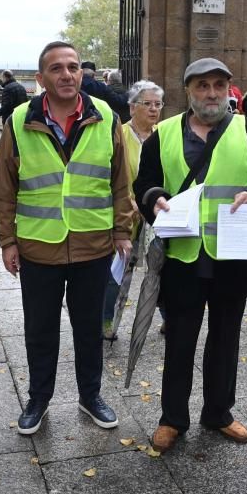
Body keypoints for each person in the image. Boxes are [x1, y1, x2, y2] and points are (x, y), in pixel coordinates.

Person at [133, 58, 247, 453]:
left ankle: (219, 412)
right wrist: (154, 199)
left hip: (232, 258)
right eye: (202, 86)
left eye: (218, 85)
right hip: (182, 259)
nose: (211, 93)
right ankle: (172, 419)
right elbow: (143, 184)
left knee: (226, 338)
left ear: (228, 89)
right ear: (188, 91)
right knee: (180, 338)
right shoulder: (162, 134)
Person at [0, 41, 133, 436]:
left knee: (89, 328)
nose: (67, 74)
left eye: (73, 66)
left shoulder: (105, 115)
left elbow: (121, 180)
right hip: (39, 245)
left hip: (93, 243)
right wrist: (8, 241)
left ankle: (91, 396)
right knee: (40, 329)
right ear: (40, 79)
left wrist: (122, 229)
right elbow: (4, 188)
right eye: (57, 68)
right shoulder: (19, 120)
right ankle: (39, 399)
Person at [101, 79, 164, 337]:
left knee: (161, 269)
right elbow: (113, 176)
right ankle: (107, 323)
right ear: (132, 107)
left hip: (158, 215)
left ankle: (169, 316)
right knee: (119, 272)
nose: (153, 109)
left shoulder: (165, 135)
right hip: (128, 216)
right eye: (146, 104)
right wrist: (131, 203)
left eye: (158, 104)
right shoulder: (120, 135)